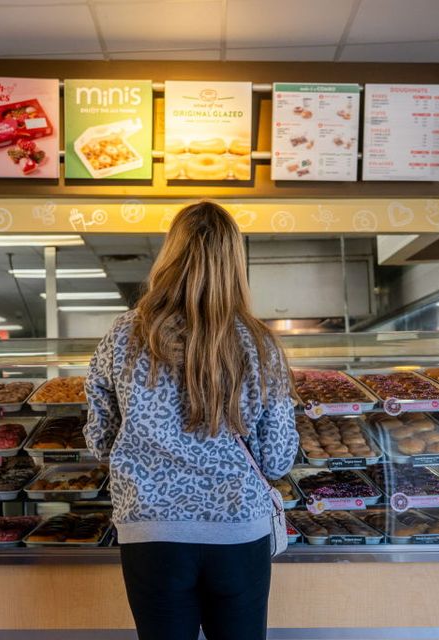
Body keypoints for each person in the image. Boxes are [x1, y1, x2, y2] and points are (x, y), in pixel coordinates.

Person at [85, 200, 298, 640]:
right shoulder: (259, 343)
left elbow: (102, 442)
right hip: (239, 529)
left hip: (151, 529)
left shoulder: (123, 333)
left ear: (170, 255)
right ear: (234, 263)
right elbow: (277, 460)